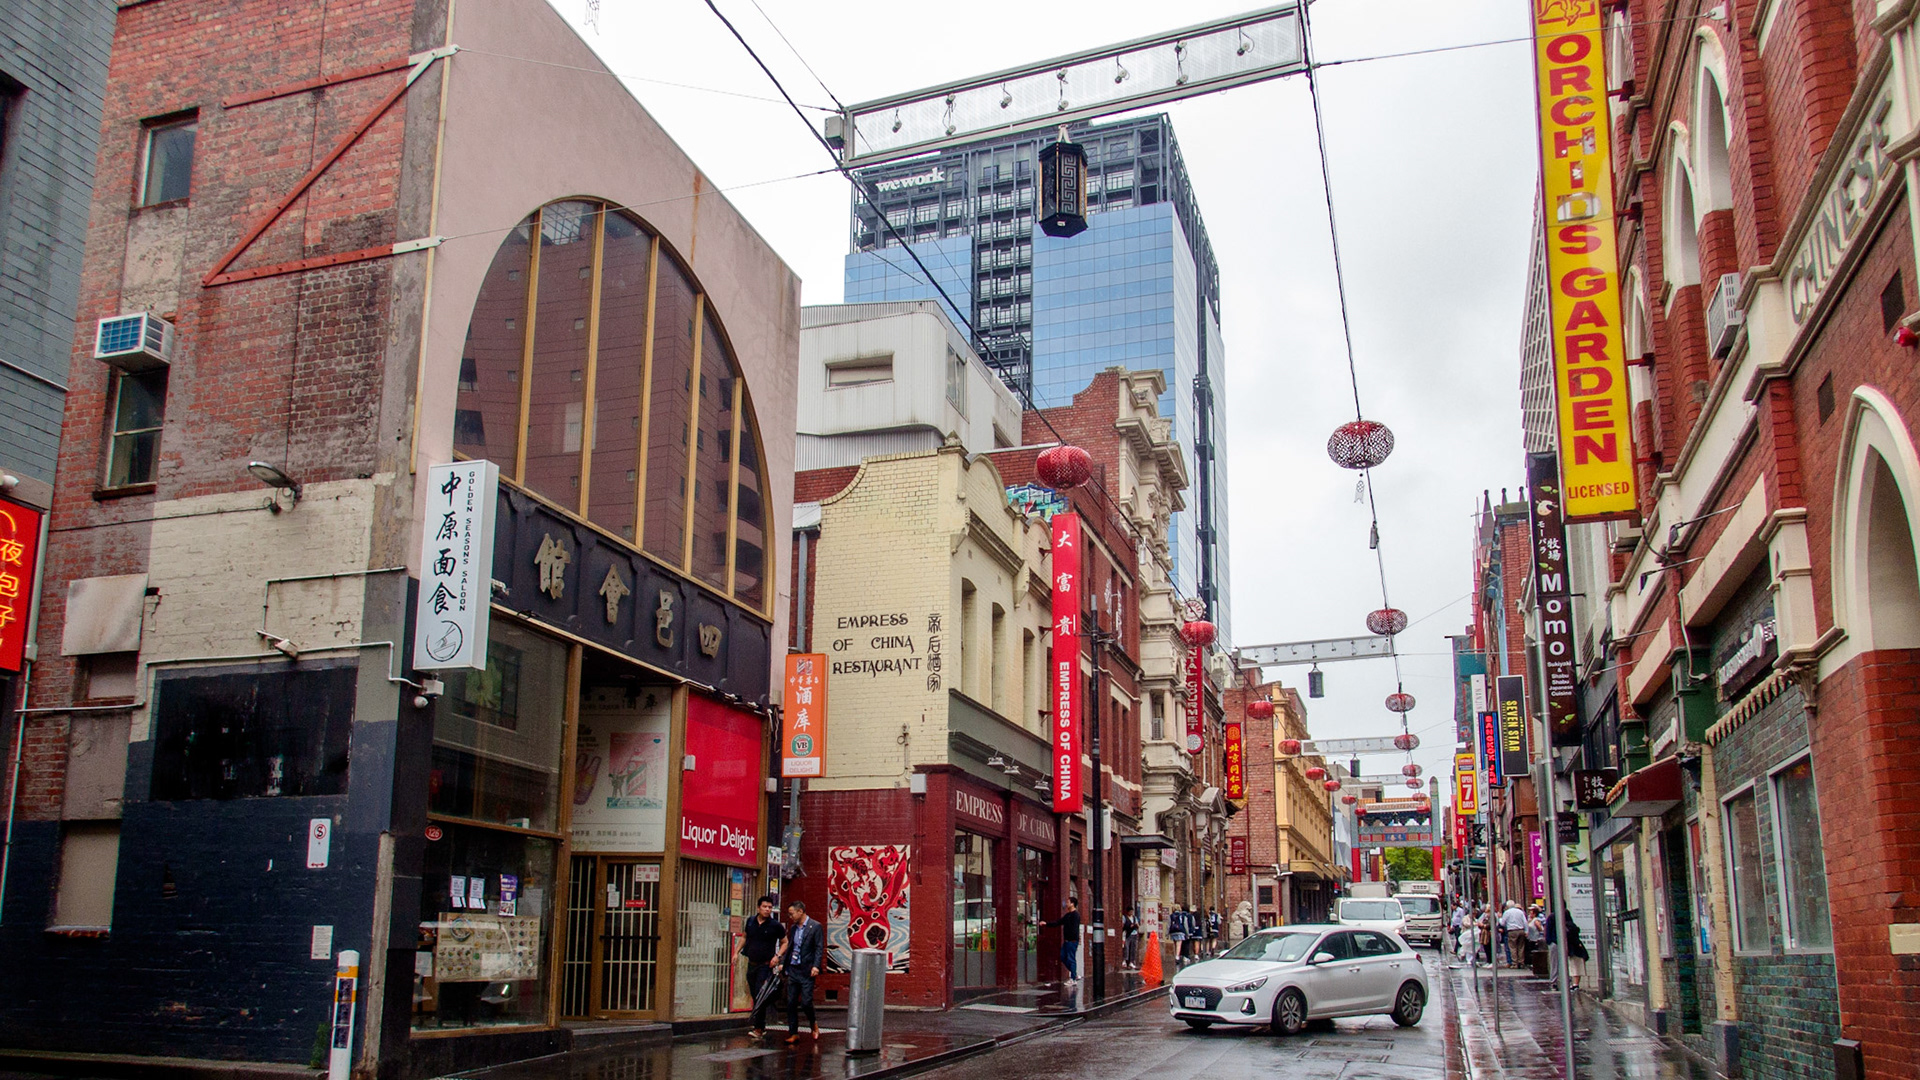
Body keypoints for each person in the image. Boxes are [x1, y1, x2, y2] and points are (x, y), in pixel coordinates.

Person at [741, 895, 785, 1038]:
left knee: (760, 994)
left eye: (770, 907)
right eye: (765, 907)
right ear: (758, 908)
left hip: (765, 965)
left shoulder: (775, 925)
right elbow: (744, 937)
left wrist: (777, 956)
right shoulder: (750, 921)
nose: (767, 909)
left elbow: (785, 942)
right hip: (751, 963)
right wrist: (736, 952)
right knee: (755, 994)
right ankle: (759, 1024)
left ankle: (759, 1028)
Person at [782, 900, 822, 1043]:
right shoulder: (793, 928)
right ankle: (793, 1033)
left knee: (806, 1002)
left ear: (800, 912)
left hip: (806, 970)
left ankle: (813, 1022)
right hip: (793, 969)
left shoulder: (815, 926)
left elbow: (819, 948)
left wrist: (816, 966)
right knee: (791, 1002)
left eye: (792, 913)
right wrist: (783, 963)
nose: (790, 916)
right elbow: (791, 947)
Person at [1045, 897, 1082, 983]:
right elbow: (1058, 922)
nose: (1066, 904)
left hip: (1072, 941)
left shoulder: (1076, 915)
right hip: (1066, 941)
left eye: (1068, 902)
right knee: (1063, 957)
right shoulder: (1067, 915)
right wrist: (1046, 924)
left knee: (1071, 959)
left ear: (1072, 904)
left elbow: (1075, 929)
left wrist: (1074, 939)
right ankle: (1074, 974)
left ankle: (1073, 979)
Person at [1562, 911, 1588, 990]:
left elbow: (1571, 937)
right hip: (1576, 949)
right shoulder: (1571, 925)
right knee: (1576, 966)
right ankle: (1575, 983)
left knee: (1575, 966)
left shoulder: (1566, 926)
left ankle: (1575, 984)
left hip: (1573, 950)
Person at [1500, 901, 1529, 967]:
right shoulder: (1520, 912)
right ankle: (1521, 962)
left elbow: (1502, 923)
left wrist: (1500, 919)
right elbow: (1525, 922)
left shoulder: (1507, 912)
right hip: (1521, 930)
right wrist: (1526, 931)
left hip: (1512, 931)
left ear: (1507, 906)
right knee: (1521, 947)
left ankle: (1515, 963)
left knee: (1513, 947)